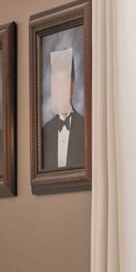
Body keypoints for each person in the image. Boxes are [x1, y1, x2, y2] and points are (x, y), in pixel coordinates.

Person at [40, 32, 85, 171]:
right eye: (56, 83)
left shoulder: (85, 127)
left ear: (73, 85)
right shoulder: (45, 131)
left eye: (63, 82)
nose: (59, 89)